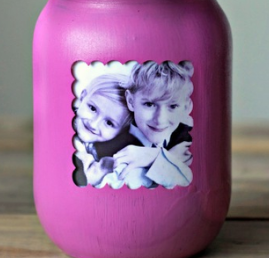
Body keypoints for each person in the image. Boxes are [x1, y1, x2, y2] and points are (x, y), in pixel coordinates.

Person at [111, 61, 194, 189]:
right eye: (149, 104)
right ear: (131, 101)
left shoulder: (189, 139)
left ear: (186, 107)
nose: (160, 119)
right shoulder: (111, 146)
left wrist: (154, 156)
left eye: (172, 106)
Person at [71, 73, 132, 187]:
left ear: (120, 132)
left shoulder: (94, 147)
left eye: (109, 123)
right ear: (83, 97)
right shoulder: (65, 130)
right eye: (92, 108)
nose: (94, 124)